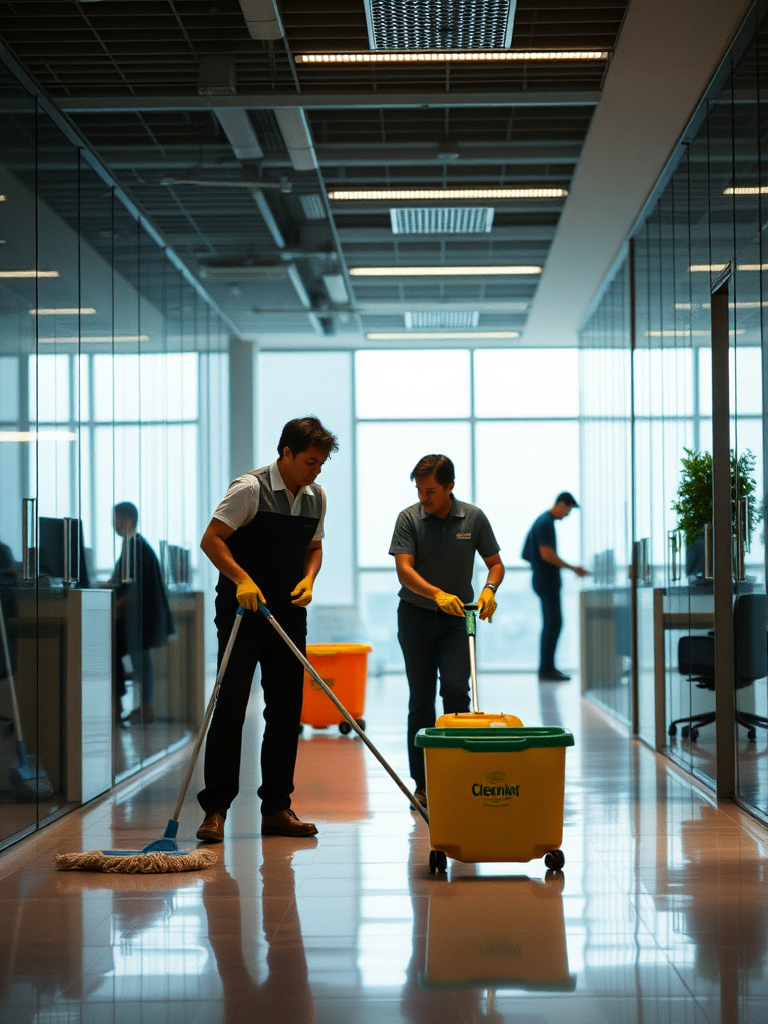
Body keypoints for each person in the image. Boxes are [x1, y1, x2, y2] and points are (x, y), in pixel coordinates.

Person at [196, 416, 338, 842]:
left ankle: (277, 807)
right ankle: (215, 810)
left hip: (289, 613)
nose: (316, 470)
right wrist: (241, 579)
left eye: (321, 464)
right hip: (243, 613)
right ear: (286, 454)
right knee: (232, 703)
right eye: (311, 461)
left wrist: (310, 578)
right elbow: (212, 539)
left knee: (285, 709)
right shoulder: (250, 489)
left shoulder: (316, 497)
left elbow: (314, 548)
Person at [390, 454, 504, 808]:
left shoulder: (473, 517)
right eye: (420, 490)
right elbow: (404, 570)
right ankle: (422, 784)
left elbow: (495, 564)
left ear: (450, 486)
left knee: (456, 690)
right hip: (416, 616)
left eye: (431, 491)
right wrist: (437, 594)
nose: (424, 498)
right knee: (420, 700)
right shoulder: (409, 518)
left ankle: (459, 772)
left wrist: (489, 590)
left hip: (457, 620)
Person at [110, 502, 175, 724]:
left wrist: (115, 605)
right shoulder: (135, 545)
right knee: (135, 658)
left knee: (130, 656)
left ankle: (128, 705)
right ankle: (137, 705)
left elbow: (134, 588)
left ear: (127, 520)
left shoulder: (135, 547)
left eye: (116, 519)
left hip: (137, 618)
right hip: (137, 617)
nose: (114, 525)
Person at [522, 492, 589, 682]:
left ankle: (547, 667)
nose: (567, 516)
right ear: (562, 504)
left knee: (552, 623)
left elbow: (527, 553)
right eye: (568, 510)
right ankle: (547, 669)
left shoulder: (541, 521)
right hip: (546, 580)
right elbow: (547, 554)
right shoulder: (545, 523)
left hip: (542, 578)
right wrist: (572, 568)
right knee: (554, 623)